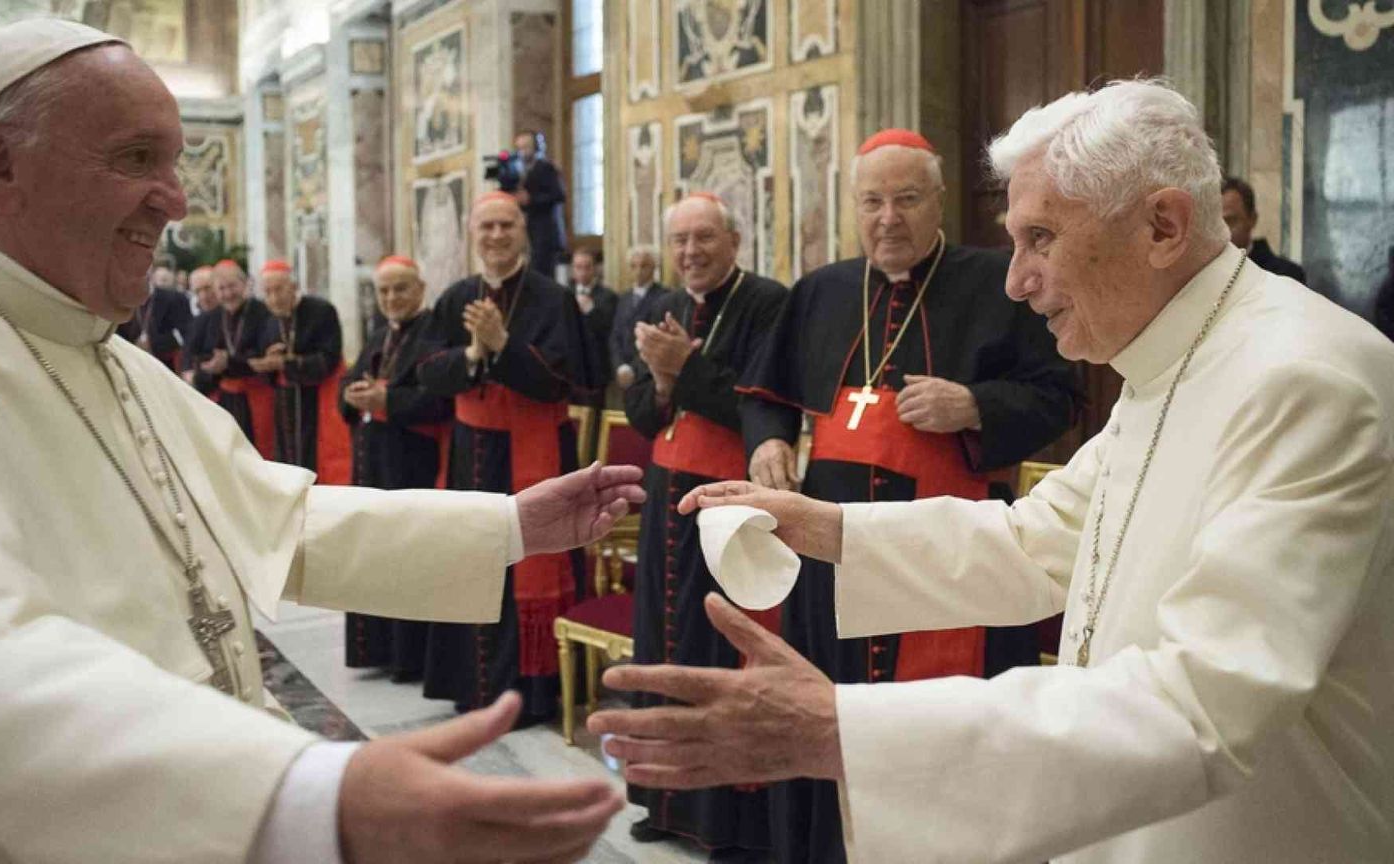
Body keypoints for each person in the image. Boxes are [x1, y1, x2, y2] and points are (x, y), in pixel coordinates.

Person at [0, 20, 641, 863]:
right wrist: (309, 795)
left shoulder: (116, 362)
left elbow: (277, 520)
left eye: (176, 164)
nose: (176, 200)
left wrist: (511, 526)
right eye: (134, 159)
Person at [590, 79, 1393, 864]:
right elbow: (1034, 541)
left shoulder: (1302, 379)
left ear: (1163, 227)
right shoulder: (1168, 359)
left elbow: (1202, 703)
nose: (1014, 281)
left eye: (1041, 239)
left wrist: (842, 730)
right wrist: (824, 528)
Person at [737, 127, 1077, 863]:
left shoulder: (998, 283)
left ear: (938, 200)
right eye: (872, 202)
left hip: (955, 567)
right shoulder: (822, 291)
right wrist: (767, 439)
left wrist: (976, 404)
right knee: (838, 725)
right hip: (832, 568)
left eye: (907, 199)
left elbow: (1060, 395)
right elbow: (763, 393)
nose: (888, 218)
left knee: (948, 737)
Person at [621, 191, 787, 856]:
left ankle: (721, 820)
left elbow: (755, 404)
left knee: (713, 647)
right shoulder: (666, 304)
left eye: (704, 239)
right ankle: (664, 801)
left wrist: (681, 370)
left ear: (735, 240)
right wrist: (660, 386)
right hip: (666, 497)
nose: (691, 252)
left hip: (727, 500)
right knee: (661, 646)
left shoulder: (767, 303)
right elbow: (639, 413)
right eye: (681, 241)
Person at [418, 190, 596, 726]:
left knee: (533, 558)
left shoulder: (552, 298)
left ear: (524, 232)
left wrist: (505, 348)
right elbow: (427, 374)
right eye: (487, 227)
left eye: (506, 226)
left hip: (538, 451)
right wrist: (474, 354)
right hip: (474, 454)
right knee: (474, 560)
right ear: (473, 234)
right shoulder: (454, 298)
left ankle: (537, 694)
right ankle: (473, 687)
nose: (496, 236)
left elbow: (569, 379)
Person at [341, 255, 452, 681]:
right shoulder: (378, 336)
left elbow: (439, 398)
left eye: (400, 289)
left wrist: (387, 402)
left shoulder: (435, 334)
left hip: (412, 464)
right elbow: (346, 382)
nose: (391, 298)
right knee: (377, 553)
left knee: (407, 556)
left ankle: (409, 657)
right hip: (373, 463)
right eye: (384, 290)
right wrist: (352, 397)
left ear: (420, 290)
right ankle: (380, 649)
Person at [253, 259, 352, 483]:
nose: (274, 298)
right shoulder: (269, 321)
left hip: (318, 401)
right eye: (268, 292)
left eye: (279, 290)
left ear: (294, 287)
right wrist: (270, 362)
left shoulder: (321, 310)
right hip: (285, 405)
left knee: (318, 463)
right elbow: (268, 369)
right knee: (287, 463)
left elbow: (329, 358)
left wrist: (288, 363)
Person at [189, 259, 276, 450]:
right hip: (224, 399)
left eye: (232, 286)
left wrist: (229, 362)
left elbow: (265, 356)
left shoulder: (263, 313)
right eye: (221, 288)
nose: (228, 294)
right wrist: (207, 367)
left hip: (257, 398)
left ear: (244, 284)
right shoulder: (211, 318)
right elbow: (198, 354)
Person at [1221, 176, 1307, 285]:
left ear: (1252, 219)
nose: (1222, 230)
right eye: (1215, 222)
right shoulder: (1205, 273)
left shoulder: (1284, 276)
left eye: (1230, 221)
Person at [611, 245, 668, 389]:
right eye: (633, 266)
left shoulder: (665, 297)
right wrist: (620, 366)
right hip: (623, 373)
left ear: (654, 267)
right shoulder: (623, 298)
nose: (638, 271)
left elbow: (658, 339)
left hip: (650, 374)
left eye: (644, 266)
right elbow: (615, 335)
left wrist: (633, 369)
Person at [116, 264, 193, 370]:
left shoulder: (175, 299)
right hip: (131, 364)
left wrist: (153, 343)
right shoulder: (122, 301)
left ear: (151, 271)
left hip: (165, 365)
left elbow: (185, 333)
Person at [513, 132, 567, 279]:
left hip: (546, 232)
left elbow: (559, 195)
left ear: (536, 148)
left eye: (526, 147)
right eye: (519, 148)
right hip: (531, 232)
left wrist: (531, 200)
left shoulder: (546, 167)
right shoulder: (523, 172)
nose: (523, 152)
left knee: (543, 276)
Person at [569, 246, 616, 407]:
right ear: (572, 270)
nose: (582, 272)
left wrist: (591, 311)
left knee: (595, 418)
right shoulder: (563, 294)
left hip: (596, 369)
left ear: (595, 269)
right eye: (578, 267)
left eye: (587, 267)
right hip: (569, 369)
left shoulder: (608, 296)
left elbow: (609, 331)